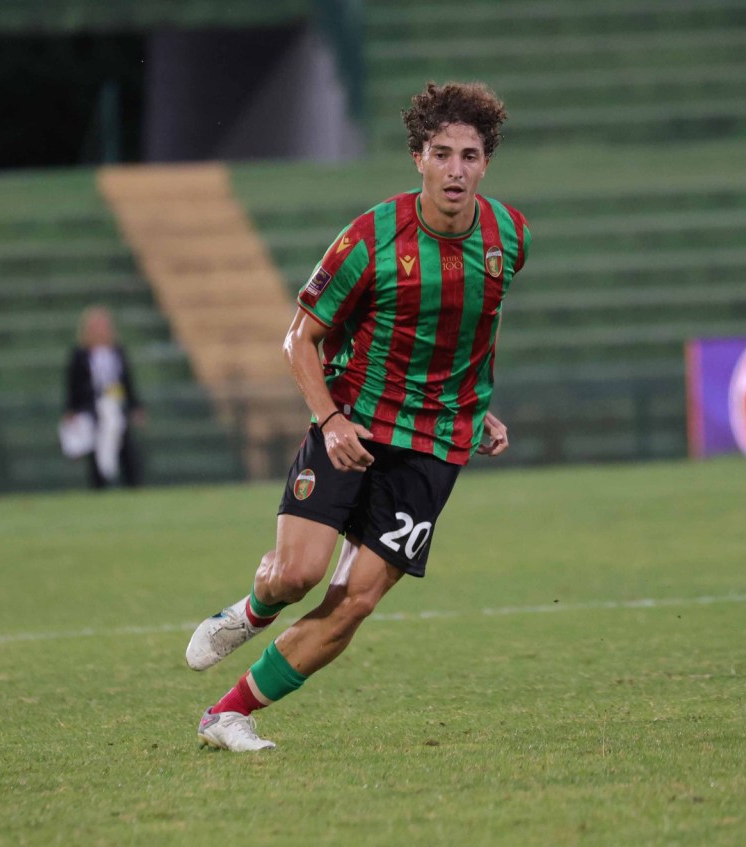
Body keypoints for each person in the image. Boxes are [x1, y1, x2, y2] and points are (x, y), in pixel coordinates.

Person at [186, 81, 531, 751]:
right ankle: (251, 610)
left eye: (469, 155)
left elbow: (475, 329)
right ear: (418, 159)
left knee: (355, 604)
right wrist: (331, 419)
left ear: (485, 162)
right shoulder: (373, 236)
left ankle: (227, 713)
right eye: (441, 154)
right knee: (297, 575)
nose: (455, 169)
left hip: (434, 446)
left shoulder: (509, 236)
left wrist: (479, 405)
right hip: (357, 425)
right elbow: (299, 338)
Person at [61, 306, 144, 489]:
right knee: (97, 447)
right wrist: (70, 410)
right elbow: (72, 385)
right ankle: (100, 484)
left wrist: (134, 406)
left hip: (115, 404)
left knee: (124, 445)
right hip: (92, 408)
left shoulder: (117, 352)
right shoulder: (80, 354)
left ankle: (132, 483)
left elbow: (127, 382)